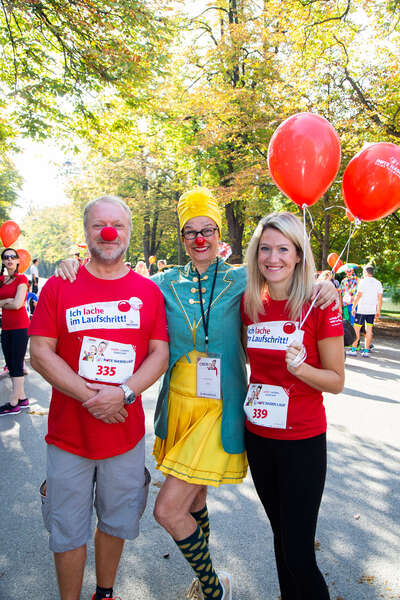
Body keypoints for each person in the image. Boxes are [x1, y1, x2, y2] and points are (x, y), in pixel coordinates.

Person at [55, 188, 338, 600]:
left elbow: (287, 278)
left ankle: (212, 588)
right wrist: (74, 266)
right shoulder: (161, 283)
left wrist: (325, 283)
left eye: (207, 230)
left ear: (219, 234)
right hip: (179, 408)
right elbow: (115, 284)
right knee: (193, 499)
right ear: (182, 238)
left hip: (218, 410)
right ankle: (212, 580)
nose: (199, 239)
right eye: (190, 232)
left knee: (168, 509)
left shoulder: (244, 278)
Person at [29, 195, 169, 600]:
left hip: (122, 434)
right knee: (67, 527)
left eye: (117, 225)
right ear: (86, 232)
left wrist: (123, 394)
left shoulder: (148, 292)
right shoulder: (60, 285)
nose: (108, 233)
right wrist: (92, 397)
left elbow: (159, 353)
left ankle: (104, 593)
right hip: (69, 436)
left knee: (115, 521)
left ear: (128, 232)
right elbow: (40, 351)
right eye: (98, 226)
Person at [241, 212, 344, 600]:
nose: (273, 257)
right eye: (265, 248)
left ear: (299, 254)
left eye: (283, 248)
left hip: (302, 440)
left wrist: (301, 369)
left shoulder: (320, 303)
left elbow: (336, 381)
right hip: (259, 438)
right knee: (282, 542)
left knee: (300, 553)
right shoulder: (250, 302)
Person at [0, 248, 31, 415]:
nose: (9, 259)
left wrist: (2, 302)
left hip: (20, 327)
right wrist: (6, 301)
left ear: (18, 260)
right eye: (6, 257)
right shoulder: (1, 280)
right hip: (6, 327)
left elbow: (18, 304)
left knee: (16, 363)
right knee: (11, 363)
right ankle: (23, 398)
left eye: (13, 257)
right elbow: (11, 302)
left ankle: (13, 402)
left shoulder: (22, 278)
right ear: (3, 261)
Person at [348, 265, 383, 358]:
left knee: (356, 329)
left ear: (366, 272)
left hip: (362, 310)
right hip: (372, 311)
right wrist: (378, 310)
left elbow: (358, 295)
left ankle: (353, 350)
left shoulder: (362, 282)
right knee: (369, 330)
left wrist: (353, 307)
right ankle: (366, 351)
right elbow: (380, 298)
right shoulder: (378, 283)